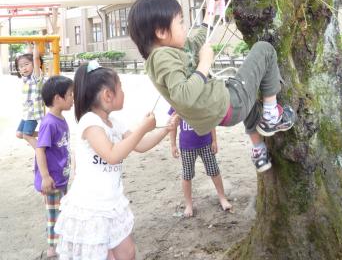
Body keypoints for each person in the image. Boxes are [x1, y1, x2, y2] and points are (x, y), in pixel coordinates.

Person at [128, 0, 296, 174]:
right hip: (225, 104)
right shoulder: (163, 58)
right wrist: (205, 63)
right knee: (265, 49)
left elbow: (196, 42)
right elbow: (183, 95)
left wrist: (210, 12)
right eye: (181, 23)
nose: (184, 27)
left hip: (220, 112)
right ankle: (271, 117)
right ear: (161, 32)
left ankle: (259, 152)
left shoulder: (169, 52)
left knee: (251, 102)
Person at [54, 61, 177, 260]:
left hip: (112, 203)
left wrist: (165, 129)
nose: (123, 92)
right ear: (107, 95)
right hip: (91, 208)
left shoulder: (114, 123)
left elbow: (139, 145)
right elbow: (112, 155)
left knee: (128, 253)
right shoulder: (90, 122)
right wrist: (142, 128)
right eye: (121, 88)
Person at [35, 75, 74, 259]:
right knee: (53, 214)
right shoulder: (49, 123)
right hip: (51, 181)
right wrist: (45, 176)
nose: (73, 98)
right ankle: (52, 247)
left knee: (62, 211)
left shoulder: (60, 119)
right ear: (58, 98)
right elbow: (40, 150)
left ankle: (61, 241)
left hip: (61, 176)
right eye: (70, 94)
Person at [168, 107, 232, 217]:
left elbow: (211, 121)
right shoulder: (177, 102)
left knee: (214, 170)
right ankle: (189, 204)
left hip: (206, 143)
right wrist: (173, 145)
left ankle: (222, 197)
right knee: (187, 175)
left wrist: (214, 141)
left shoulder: (202, 100)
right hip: (187, 146)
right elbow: (172, 125)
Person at [15, 43, 45, 149]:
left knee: (26, 135)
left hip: (33, 114)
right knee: (19, 134)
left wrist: (35, 45)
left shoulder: (35, 77)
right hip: (26, 114)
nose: (24, 68)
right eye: (21, 66)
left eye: (26, 64)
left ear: (34, 65)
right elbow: (28, 57)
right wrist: (28, 45)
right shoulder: (25, 78)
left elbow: (35, 59)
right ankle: (45, 133)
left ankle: (41, 152)